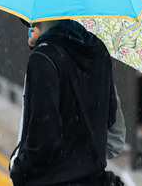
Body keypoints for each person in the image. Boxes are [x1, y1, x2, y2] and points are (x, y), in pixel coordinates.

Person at [10, 19, 124, 186]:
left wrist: (19, 169)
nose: (28, 25)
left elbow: (44, 137)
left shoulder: (43, 57)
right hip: (93, 179)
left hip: (50, 180)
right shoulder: (99, 50)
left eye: (29, 22)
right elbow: (112, 125)